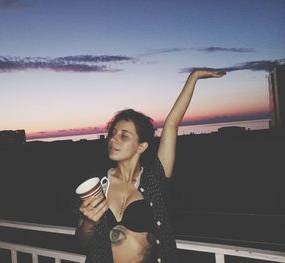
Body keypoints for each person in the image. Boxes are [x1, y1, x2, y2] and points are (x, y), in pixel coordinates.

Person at [75, 70, 226, 263]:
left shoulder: (154, 179)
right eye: (113, 133)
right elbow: (81, 243)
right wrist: (88, 224)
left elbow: (171, 124)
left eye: (124, 135)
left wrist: (193, 77)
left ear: (141, 146)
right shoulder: (97, 184)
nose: (113, 139)